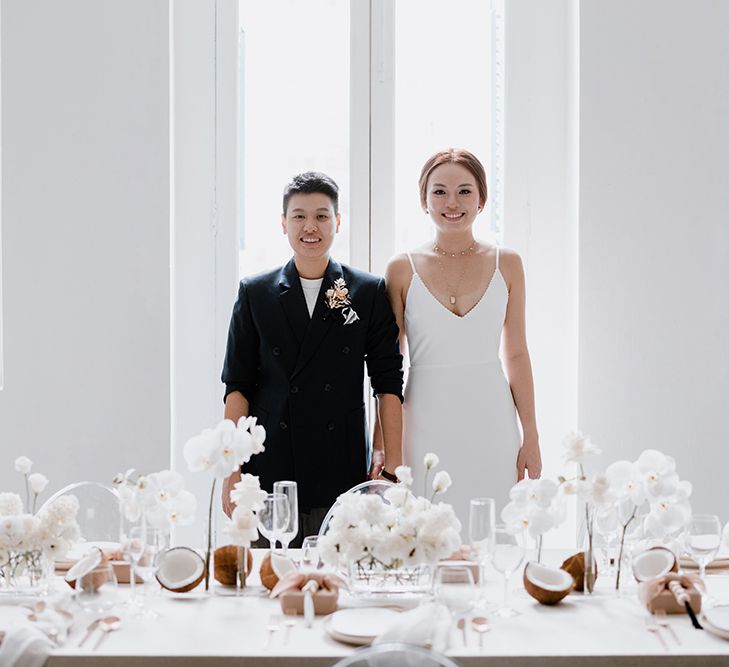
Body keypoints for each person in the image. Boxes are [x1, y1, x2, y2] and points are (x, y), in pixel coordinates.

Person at [221, 172, 404, 544]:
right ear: (283, 223)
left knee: (341, 579)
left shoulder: (367, 292)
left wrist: (391, 465)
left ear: (337, 222)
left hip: (341, 463)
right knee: (270, 579)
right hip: (270, 464)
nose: (310, 226)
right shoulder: (256, 292)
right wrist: (231, 470)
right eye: (299, 216)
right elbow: (237, 386)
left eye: (322, 216)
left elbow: (387, 384)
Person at [383, 149, 542, 525]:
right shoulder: (401, 269)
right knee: (422, 535)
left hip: (492, 423)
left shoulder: (509, 264)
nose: (451, 203)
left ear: (482, 199)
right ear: (424, 200)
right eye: (439, 192)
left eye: (464, 192)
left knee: (491, 531)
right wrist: (383, 446)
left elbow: (517, 354)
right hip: (421, 423)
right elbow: (389, 366)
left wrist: (531, 434)